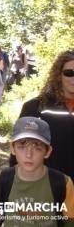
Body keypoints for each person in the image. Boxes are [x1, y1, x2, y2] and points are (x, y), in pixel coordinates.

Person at [0, 116, 74, 227]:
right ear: (12, 148)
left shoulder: (63, 183)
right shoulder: (3, 178)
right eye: (22, 147)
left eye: (37, 148)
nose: (29, 155)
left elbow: (70, 219)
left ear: (47, 152)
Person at [11, 50, 74, 181]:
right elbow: (19, 150)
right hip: (45, 186)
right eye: (69, 73)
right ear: (59, 75)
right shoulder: (37, 107)